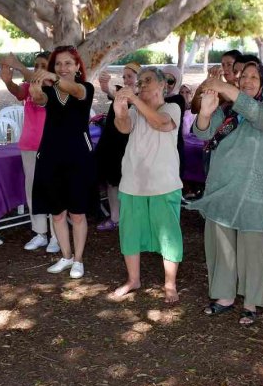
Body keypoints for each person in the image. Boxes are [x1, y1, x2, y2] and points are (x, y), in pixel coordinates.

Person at [190, 61, 263, 325]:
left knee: (253, 249)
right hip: (222, 191)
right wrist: (206, 113)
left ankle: (251, 302)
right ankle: (224, 296)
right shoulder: (227, 111)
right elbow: (202, 133)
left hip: (255, 194)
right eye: (244, 77)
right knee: (221, 247)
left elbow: (257, 114)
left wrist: (222, 86)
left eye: (255, 77)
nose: (248, 81)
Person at [109, 68, 183, 303]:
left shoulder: (172, 108)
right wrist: (120, 111)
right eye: (139, 82)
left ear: (163, 85)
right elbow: (123, 127)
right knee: (129, 233)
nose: (141, 84)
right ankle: (133, 279)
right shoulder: (136, 108)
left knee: (169, 235)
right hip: (132, 182)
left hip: (164, 183)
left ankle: (170, 284)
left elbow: (160, 122)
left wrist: (132, 99)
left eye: (147, 80)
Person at [29, 45, 96, 278]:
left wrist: (52, 77)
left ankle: (78, 259)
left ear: (78, 66)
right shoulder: (52, 92)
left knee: (77, 214)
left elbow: (74, 90)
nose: (63, 67)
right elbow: (39, 100)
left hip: (78, 158)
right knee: (57, 213)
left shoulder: (85, 88)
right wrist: (36, 88)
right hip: (51, 156)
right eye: (58, 63)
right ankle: (66, 257)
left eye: (68, 63)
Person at [0, 52, 60, 253]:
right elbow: (17, 91)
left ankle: (57, 235)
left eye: (43, 65)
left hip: (51, 146)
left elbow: (39, 88)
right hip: (29, 145)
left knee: (53, 191)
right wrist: (8, 81)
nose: (38, 69)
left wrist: (18, 64)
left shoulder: (55, 88)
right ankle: (40, 233)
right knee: (33, 191)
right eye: (36, 66)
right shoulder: (29, 86)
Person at [95, 62, 141, 231]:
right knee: (111, 182)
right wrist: (106, 88)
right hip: (111, 143)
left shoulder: (143, 97)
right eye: (124, 76)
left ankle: (131, 218)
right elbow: (113, 94)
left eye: (130, 76)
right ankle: (115, 217)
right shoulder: (120, 92)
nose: (126, 80)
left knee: (129, 183)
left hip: (129, 145)